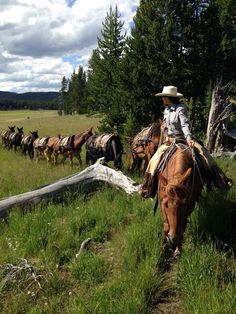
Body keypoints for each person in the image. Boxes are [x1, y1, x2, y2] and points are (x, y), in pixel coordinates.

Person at [139, 85, 233, 198]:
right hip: (169, 140)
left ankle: (218, 180)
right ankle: (149, 187)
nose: (162, 98)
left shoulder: (181, 108)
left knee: (205, 155)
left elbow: (185, 124)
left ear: (169, 97)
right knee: (154, 160)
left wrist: (188, 137)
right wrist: (165, 128)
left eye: (164, 96)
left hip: (183, 138)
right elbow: (168, 125)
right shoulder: (166, 110)